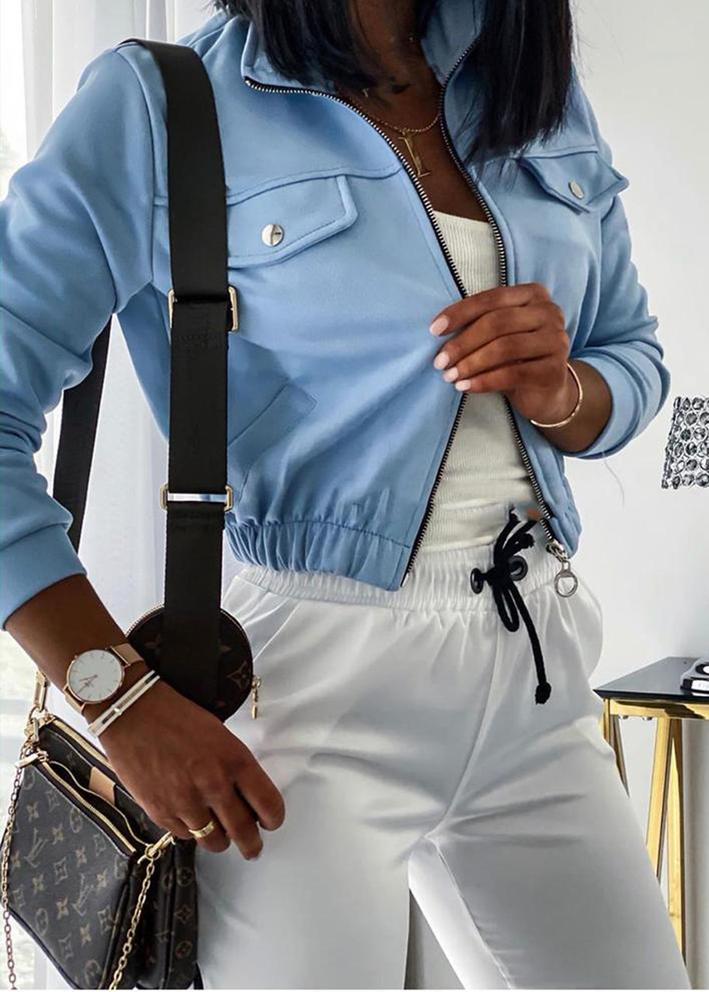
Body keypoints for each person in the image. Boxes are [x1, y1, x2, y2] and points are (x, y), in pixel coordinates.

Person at [0, 0, 692, 988]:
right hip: (305, 696)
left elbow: (632, 356)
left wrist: (563, 388)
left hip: (536, 664)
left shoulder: (526, 85)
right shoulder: (160, 102)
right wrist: (119, 698)